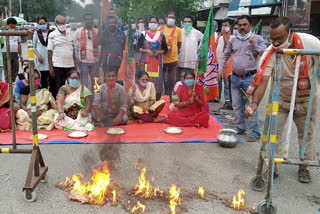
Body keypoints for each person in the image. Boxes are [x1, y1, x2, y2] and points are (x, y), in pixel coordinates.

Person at [245, 17, 319, 183]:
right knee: (273, 134)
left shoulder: (311, 43)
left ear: (290, 32)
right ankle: (273, 166)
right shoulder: (271, 52)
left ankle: (303, 166)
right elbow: (263, 81)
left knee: (306, 134)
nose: (276, 43)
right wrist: (255, 103)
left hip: (307, 99)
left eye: (279, 38)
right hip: (281, 100)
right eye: (272, 39)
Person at [217, 15, 267, 142]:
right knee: (236, 105)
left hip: (250, 78)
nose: (242, 27)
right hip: (235, 77)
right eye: (240, 25)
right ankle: (240, 128)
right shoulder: (233, 40)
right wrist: (221, 69)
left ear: (250, 26)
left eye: (245, 25)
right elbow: (225, 55)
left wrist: (254, 45)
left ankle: (255, 132)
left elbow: (265, 53)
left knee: (250, 105)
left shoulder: (257, 38)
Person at [138, 16, 168, 100]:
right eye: (151, 22)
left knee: (156, 84)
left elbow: (165, 50)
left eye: (155, 22)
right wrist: (147, 51)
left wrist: (158, 52)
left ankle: (155, 101)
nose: (153, 24)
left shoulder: (161, 35)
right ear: (148, 23)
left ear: (158, 24)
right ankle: (143, 99)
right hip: (145, 63)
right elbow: (138, 48)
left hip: (157, 64)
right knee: (144, 81)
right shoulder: (144, 34)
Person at [48, 15, 76, 97]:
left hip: (70, 65)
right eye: (59, 23)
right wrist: (51, 67)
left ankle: (70, 102)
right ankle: (60, 104)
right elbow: (50, 52)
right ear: (56, 24)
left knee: (72, 85)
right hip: (58, 66)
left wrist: (75, 62)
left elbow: (73, 49)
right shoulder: (52, 35)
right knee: (60, 87)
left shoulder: (70, 34)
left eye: (63, 23)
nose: (61, 25)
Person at [73, 13, 99, 92]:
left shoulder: (97, 31)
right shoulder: (79, 31)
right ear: (84, 21)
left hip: (95, 61)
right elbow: (72, 44)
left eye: (90, 19)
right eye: (87, 19)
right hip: (83, 62)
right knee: (84, 83)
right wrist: (75, 58)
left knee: (96, 82)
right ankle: (84, 100)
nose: (89, 21)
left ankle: (96, 100)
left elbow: (100, 45)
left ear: (93, 20)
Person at [159, 12, 182, 96]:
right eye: (169, 17)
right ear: (166, 18)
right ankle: (165, 97)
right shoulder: (160, 29)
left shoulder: (178, 30)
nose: (171, 19)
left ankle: (172, 98)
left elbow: (179, 44)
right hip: (161, 60)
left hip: (173, 60)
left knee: (172, 80)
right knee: (164, 80)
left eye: (173, 17)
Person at [33, 16, 55, 94]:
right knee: (40, 79)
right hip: (41, 61)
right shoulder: (36, 33)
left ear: (47, 23)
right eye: (40, 24)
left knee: (52, 80)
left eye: (43, 23)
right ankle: (40, 94)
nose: (42, 25)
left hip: (51, 61)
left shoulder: (52, 33)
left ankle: (52, 96)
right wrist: (38, 55)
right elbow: (33, 47)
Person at [178, 14, 203, 81]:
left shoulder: (197, 33)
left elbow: (205, 40)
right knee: (180, 82)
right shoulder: (179, 31)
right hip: (180, 61)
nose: (187, 23)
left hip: (192, 63)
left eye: (189, 22)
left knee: (190, 81)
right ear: (182, 23)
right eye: (185, 22)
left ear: (192, 23)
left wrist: (199, 49)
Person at [216, 18, 234, 110]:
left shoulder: (232, 36)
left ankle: (228, 101)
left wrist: (224, 34)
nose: (224, 27)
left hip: (228, 64)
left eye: (226, 25)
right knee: (218, 81)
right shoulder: (219, 36)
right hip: (219, 62)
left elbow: (228, 45)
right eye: (223, 25)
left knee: (227, 83)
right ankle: (217, 97)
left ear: (230, 26)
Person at [1, 18, 23, 83]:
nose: (13, 27)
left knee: (15, 70)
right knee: (7, 71)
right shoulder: (2, 31)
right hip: (5, 53)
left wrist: (21, 54)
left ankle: (14, 84)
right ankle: (8, 86)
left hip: (15, 54)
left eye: (15, 25)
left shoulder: (17, 32)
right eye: (11, 25)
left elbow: (19, 44)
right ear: (7, 25)